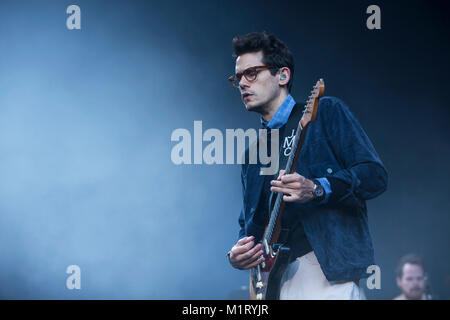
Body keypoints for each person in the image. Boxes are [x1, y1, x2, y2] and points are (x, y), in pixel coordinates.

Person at [226, 31, 388, 300]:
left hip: (327, 273)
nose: (242, 83)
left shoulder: (324, 113)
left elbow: (375, 176)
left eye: (251, 73)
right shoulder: (252, 155)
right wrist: (238, 255)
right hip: (275, 286)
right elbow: (250, 227)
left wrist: (317, 188)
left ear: (283, 76)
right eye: (238, 77)